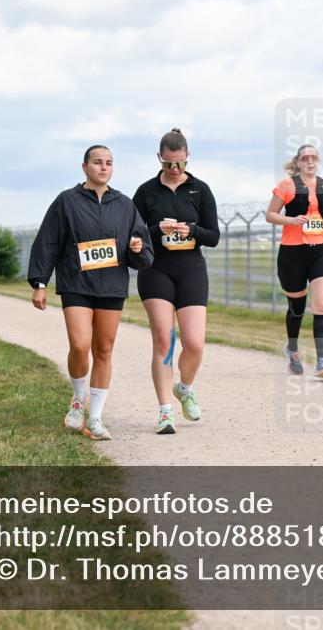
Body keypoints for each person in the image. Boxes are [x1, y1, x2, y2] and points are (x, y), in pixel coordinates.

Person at [28, 145, 153, 440]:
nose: (104, 167)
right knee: (80, 346)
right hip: (77, 284)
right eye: (97, 162)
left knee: (104, 350)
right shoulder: (67, 201)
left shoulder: (124, 205)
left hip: (111, 286)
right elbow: (48, 242)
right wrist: (40, 283)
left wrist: (137, 248)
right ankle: (77, 398)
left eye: (109, 163)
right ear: (84, 167)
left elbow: (142, 251)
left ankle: (95, 418)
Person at [133, 128, 220, 435]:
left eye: (180, 163)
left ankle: (184, 388)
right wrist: (157, 229)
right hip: (156, 270)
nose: (174, 168)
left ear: (188, 157)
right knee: (164, 340)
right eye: (168, 163)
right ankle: (164, 411)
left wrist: (192, 230)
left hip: (191, 269)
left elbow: (214, 236)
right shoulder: (146, 191)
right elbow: (134, 233)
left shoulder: (200, 190)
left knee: (194, 343)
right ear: (159, 158)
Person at [265, 144, 323, 378]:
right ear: (298, 162)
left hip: (322, 251)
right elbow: (270, 215)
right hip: (293, 253)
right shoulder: (286, 185)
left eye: (314, 157)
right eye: (305, 158)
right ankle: (292, 349)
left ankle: (321, 362)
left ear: (318, 161)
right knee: (297, 308)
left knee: (321, 305)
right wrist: (291, 220)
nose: (310, 161)